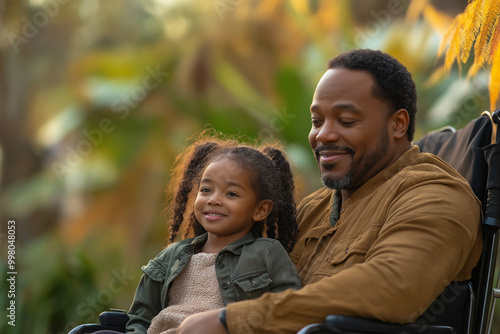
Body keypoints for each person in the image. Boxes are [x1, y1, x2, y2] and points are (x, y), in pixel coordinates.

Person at [176, 49, 483, 334]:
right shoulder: (316, 207)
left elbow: (392, 288)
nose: (323, 135)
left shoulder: (436, 195)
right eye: (316, 121)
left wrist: (232, 321)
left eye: (346, 120)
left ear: (398, 124)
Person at [94, 137, 302, 334]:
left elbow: (287, 310)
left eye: (231, 193)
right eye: (206, 190)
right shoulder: (171, 256)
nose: (214, 200)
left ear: (260, 210)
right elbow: (140, 318)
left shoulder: (266, 253)